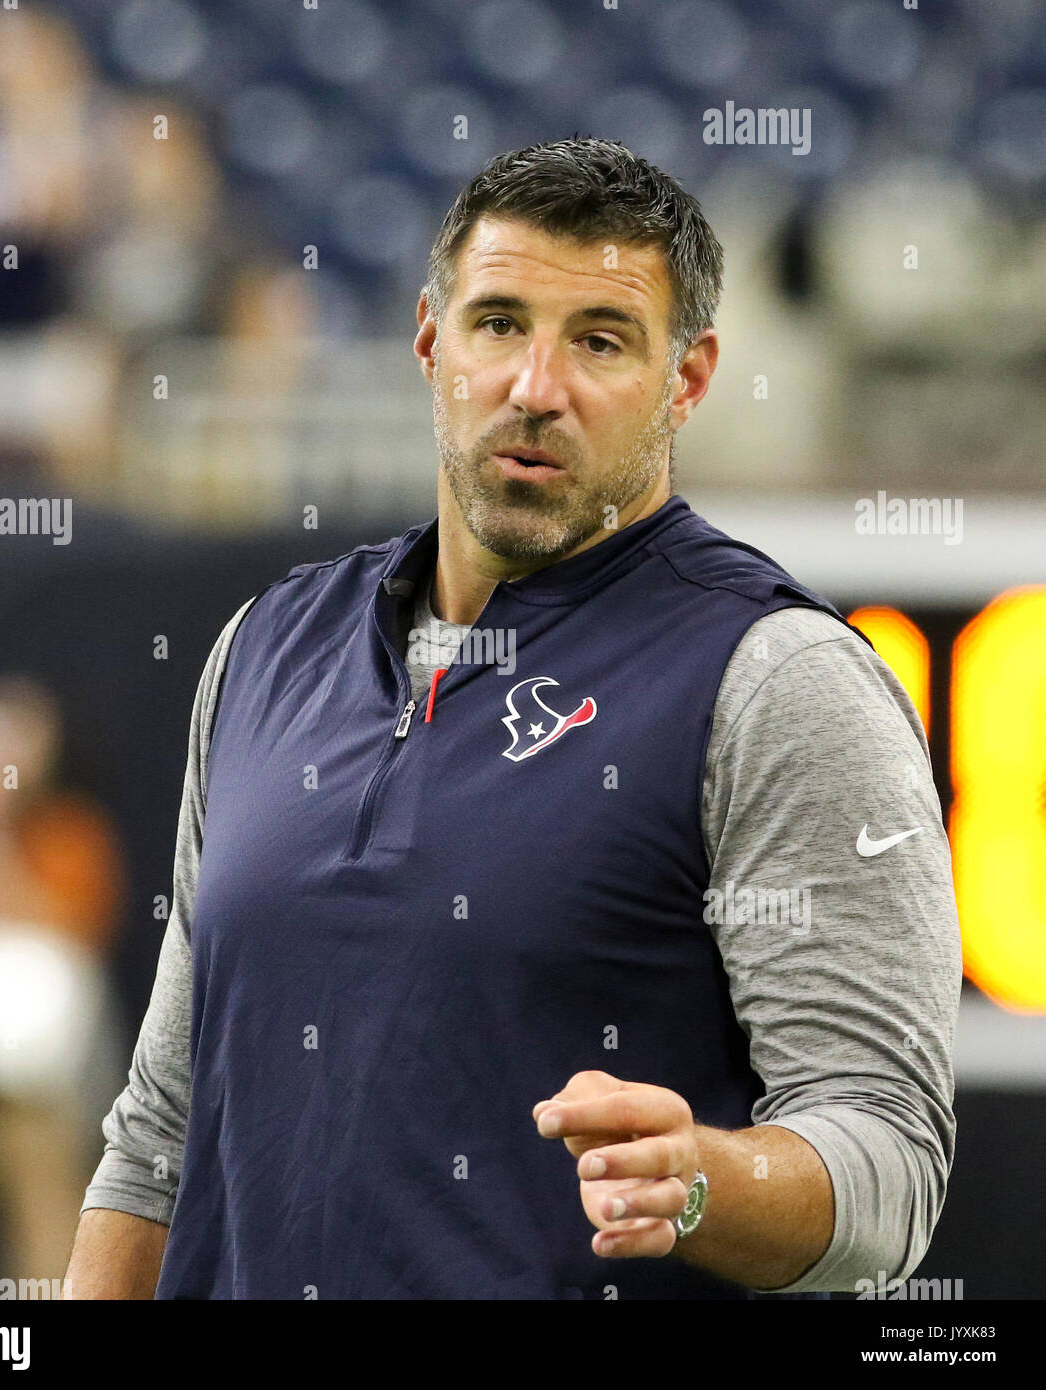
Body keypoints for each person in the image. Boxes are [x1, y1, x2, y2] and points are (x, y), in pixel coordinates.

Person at [65, 138, 960, 1300]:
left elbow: (889, 1159)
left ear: (686, 380)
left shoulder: (777, 679)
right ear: (432, 344)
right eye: (498, 324)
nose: (537, 385)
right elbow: (158, 1137)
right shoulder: (262, 649)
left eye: (600, 339)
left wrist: (700, 1181)